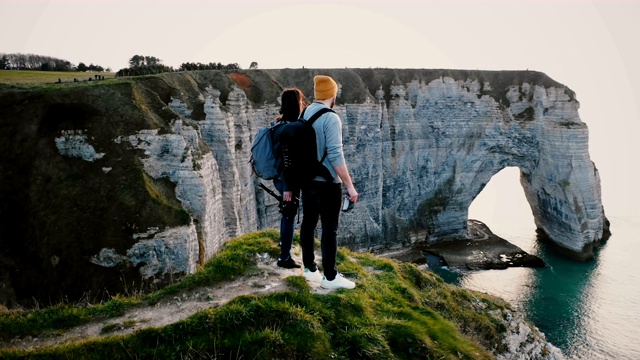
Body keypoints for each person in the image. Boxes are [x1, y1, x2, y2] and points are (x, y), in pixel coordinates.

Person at [300, 75, 359, 290]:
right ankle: (331, 278)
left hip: (307, 181)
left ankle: (309, 270)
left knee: (308, 223)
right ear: (332, 94)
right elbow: (335, 154)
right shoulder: (331, 118)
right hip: (327, 184)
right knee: (329, 229)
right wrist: (350, 186)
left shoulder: (305, 112)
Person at [272, 88, 309, 269]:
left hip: (279, 177)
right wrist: (288, 187)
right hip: (287, 180)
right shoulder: (291, 128)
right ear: (298, 103)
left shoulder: (279, 123)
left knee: (285, 212)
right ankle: (284, 258)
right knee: (289, 215)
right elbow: (287, 159)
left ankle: (282, 244)